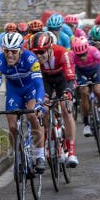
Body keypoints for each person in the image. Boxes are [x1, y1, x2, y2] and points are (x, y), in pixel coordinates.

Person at [0, 32, 46, 172]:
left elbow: (39, 85)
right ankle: (18, 155)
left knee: (33, 116)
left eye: (13, 51)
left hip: (30, 89)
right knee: (13, 127)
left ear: (20, 50)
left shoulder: (30, 58)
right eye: (6, 51)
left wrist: (39, 103)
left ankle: (40, 155)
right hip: (14, 92)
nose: (9, 55)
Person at [29, 31, 79, 168]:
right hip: (45, 80)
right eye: (35, 52)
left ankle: (72, 150)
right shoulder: (34, 58)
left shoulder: (63, 53)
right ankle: (50, 139)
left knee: (65, 109)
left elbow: (71, 78)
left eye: (41, 52)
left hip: (62, 78)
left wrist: (68, 92)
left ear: (50, 48)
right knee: (43, 108)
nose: (38, 56)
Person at [71, 35, 100, 137]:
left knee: (98, 90)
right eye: (79, 55)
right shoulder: (71, 55)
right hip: (81, 74)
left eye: (84, 54)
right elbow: (70, 70)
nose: (82, 57)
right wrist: (72, 82)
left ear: (87, 49)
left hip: (95, 71)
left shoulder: (94, 51)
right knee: (84, 92)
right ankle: (86, 123)